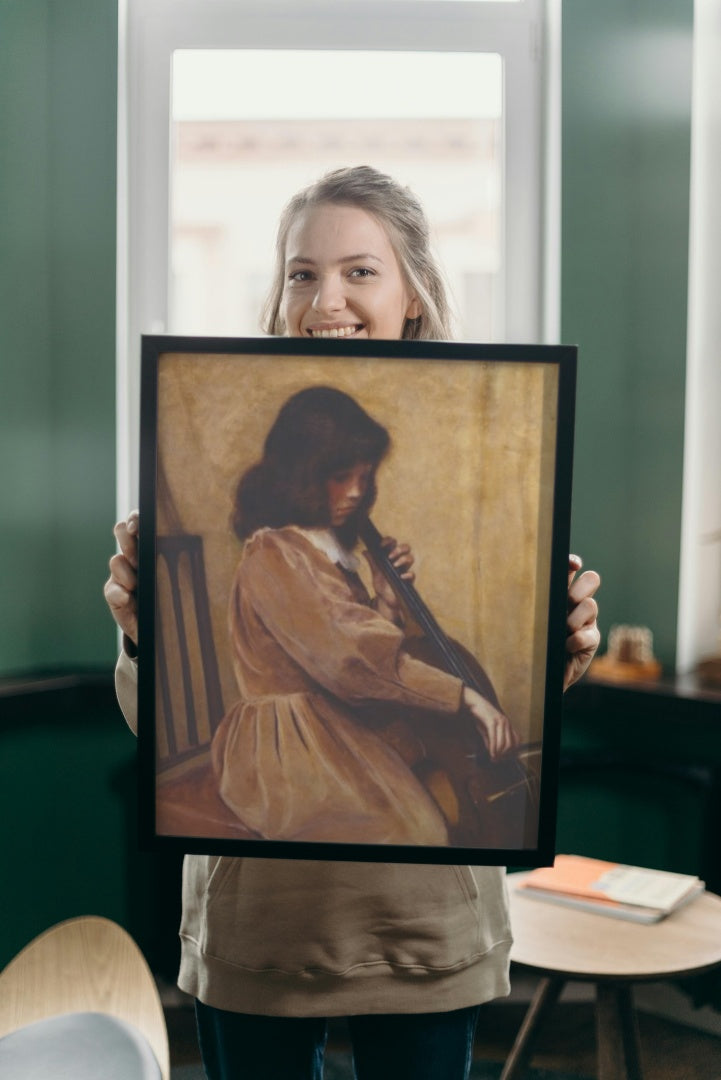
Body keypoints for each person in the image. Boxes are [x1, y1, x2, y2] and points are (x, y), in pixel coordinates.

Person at [105, 165, 601, 1080]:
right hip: (270, 911)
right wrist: (141, 640)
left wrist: (555, 653)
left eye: (359, 271)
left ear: (413, 293)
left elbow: (393, 650)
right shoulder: (275, 550)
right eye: (301, 272)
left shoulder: (356, 541)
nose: (324, 297)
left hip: (422, 924)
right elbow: (341, 661)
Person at [210, 384, 517, 848]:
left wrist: (387, 600)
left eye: (364, 476)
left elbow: (360, 648)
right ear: (301, 475)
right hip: (289, 744)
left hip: (336, 718)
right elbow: (352, 662)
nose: (355, 492)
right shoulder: (274, 555)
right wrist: (467, 697)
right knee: (417, 832)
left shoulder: (322, 549)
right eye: (339, 476)